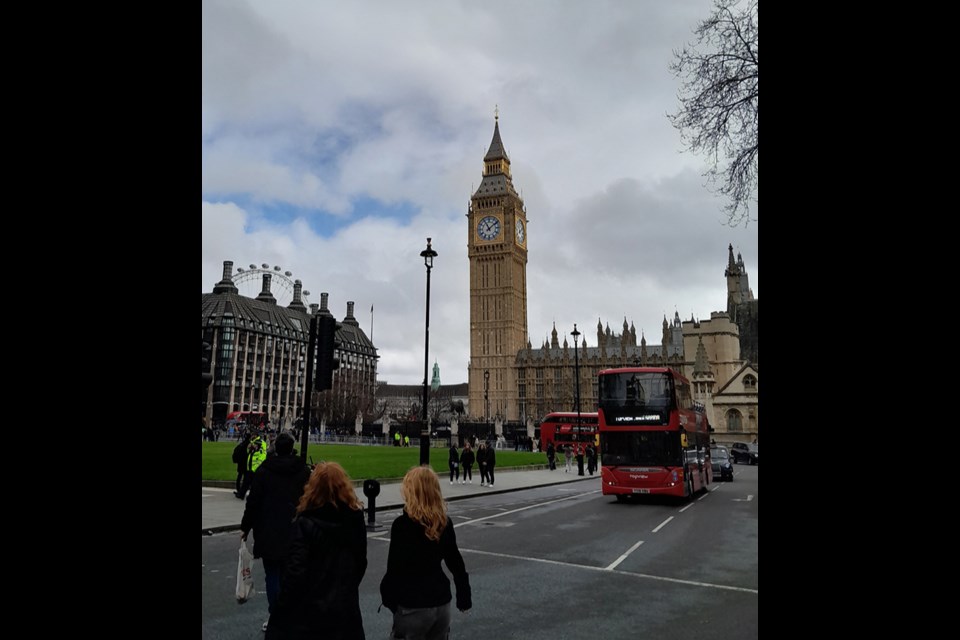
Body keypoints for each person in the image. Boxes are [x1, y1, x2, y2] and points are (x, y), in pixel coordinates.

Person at [265, 461, 367, 640]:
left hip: (311, 616)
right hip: (345, 612)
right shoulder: (355, 520)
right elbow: (360, 563)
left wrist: (281, 614)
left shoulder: (305, 524)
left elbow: (294, 574)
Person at [379, 466, 472, 640]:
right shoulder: (443, 522)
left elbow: (394, 569)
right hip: (440, 602)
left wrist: (389, 598)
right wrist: (464, 596)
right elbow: (456, 563)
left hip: (413, 605)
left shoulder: (402, 525)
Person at [239, 433, 312, 633]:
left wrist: (245, 527)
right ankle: (290, 612)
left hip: (269, 529)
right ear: (292, 448)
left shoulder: (264, 471)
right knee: (291, 572)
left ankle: (275, 614)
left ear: (275, 448)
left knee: (272, 574)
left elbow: (253, 502)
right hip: (295, 528)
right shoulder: (303, 471)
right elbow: (309, 499)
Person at [236, 431, 268, 499]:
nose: (251, 436)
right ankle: (242, 494)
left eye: (252, 435)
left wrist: (251, 446)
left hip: (255, 464)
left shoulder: (258, 441)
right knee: (248, 481)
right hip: (252, 464)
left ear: (256, 435)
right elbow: (249, 450)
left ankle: (244, 494)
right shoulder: (257, 441)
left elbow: (253, 448)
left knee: (249, 481)